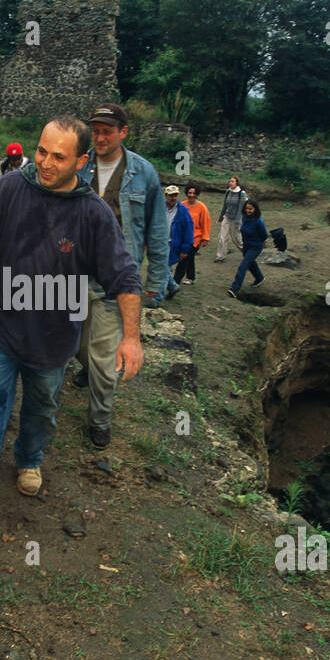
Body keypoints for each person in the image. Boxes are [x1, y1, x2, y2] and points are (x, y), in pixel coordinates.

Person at [0, 117, 142, 535]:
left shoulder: (93, 213)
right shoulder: (10, 188)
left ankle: (29, 458)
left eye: (58, 157)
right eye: (42, 151)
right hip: (0, 324)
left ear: (81, 161)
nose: (44, 163)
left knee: (41, 409)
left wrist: (131, 337)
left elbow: (123, 275)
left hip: (54, 335)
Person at [68, 102, 168, 450]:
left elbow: (157, 230)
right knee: (77, 344)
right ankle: (88, 366)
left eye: (107, 130)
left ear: (123, 132)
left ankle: (99, 420)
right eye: (95, 130)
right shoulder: (78, 165)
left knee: (107, 359)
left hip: (115, 281)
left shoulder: (144, 173)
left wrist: (156, 281)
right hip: (74, 274)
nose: (99, 136)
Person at [227, 199, 268, 297]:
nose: (248, 211)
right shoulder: (245, 217)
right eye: (246, 208)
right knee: (250, 263)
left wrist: (262, 242)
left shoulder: (258, 221)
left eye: (250, 209)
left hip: (255, 247)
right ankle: (259, 278)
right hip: (246, 245)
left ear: (255, 209)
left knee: (243, 266)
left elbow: (264, 235)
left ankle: (234, 289)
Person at [175, 183, 210, 283]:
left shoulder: (202, 207)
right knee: (189, 258)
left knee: (184, 259)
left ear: (197, 194)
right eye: (190, 193)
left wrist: (205, 239)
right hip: (183, 238)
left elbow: (205, 223)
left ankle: (175, 281)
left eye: (194, 193)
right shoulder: (182, 205)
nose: (191, 195)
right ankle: (191, 277)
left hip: (195, 238)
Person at [164, 184, 193, 298]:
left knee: (162, 267)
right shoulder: (159, 208)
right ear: (166, 196)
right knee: (162, 267)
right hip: (160, 242)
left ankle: (157, 297)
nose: (173, 198)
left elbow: (188, 230)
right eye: (171, 195)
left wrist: (185, 249)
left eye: (175, 195)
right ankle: (172, 286)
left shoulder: (183, 211)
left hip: (173, 243)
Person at [214, 175, 248, 261]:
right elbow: (225, 205)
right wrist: (221, 216)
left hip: (236, 219)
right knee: (222, 237)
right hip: (227, 217)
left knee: (236, 239)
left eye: (232, 181)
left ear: (237, 183)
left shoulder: (242, 194)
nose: (230, 183)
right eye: (229, 181)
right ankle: (220, 256)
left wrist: (237, 223)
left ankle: (247, 253)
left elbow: (241, 209)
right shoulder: (228, 192)